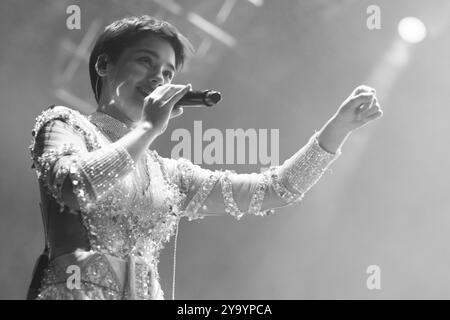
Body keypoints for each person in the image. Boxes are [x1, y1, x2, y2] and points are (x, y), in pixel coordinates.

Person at [27, 15, 382, 300]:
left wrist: (338, 129)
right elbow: (75, 187)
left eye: (167, 73)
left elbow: (276, 189)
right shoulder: (64, 124)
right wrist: (148, 129)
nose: (158, 78)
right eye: (145, 61)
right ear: (104, 65)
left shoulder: (168, 175)